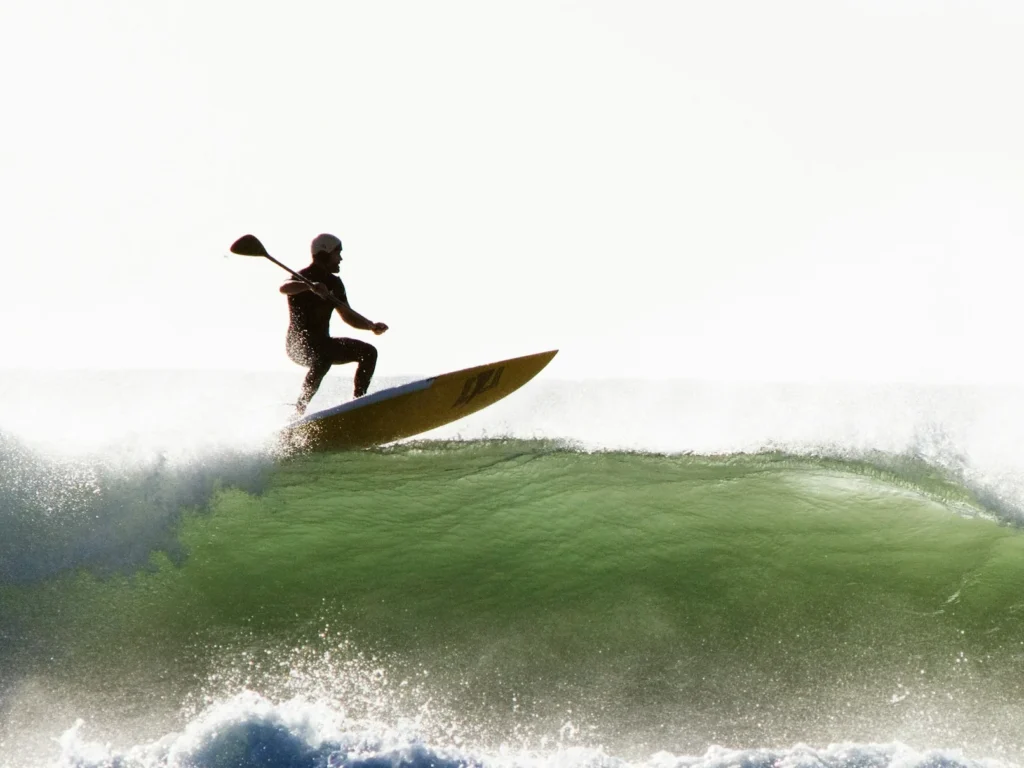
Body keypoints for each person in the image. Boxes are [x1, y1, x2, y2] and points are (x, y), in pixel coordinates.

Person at [280, 233, 388, 415]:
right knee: (323, 358)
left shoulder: (335, 284)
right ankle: (299, 410)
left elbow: (348, 316)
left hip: (323, 344)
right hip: (298, 345)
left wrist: (370, 326)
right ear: (325, 253)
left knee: (368, 352)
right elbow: (284, 288)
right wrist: (310, 286)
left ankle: (358, 406)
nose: (340, 258)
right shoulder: (302, 276)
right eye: (337, 253)